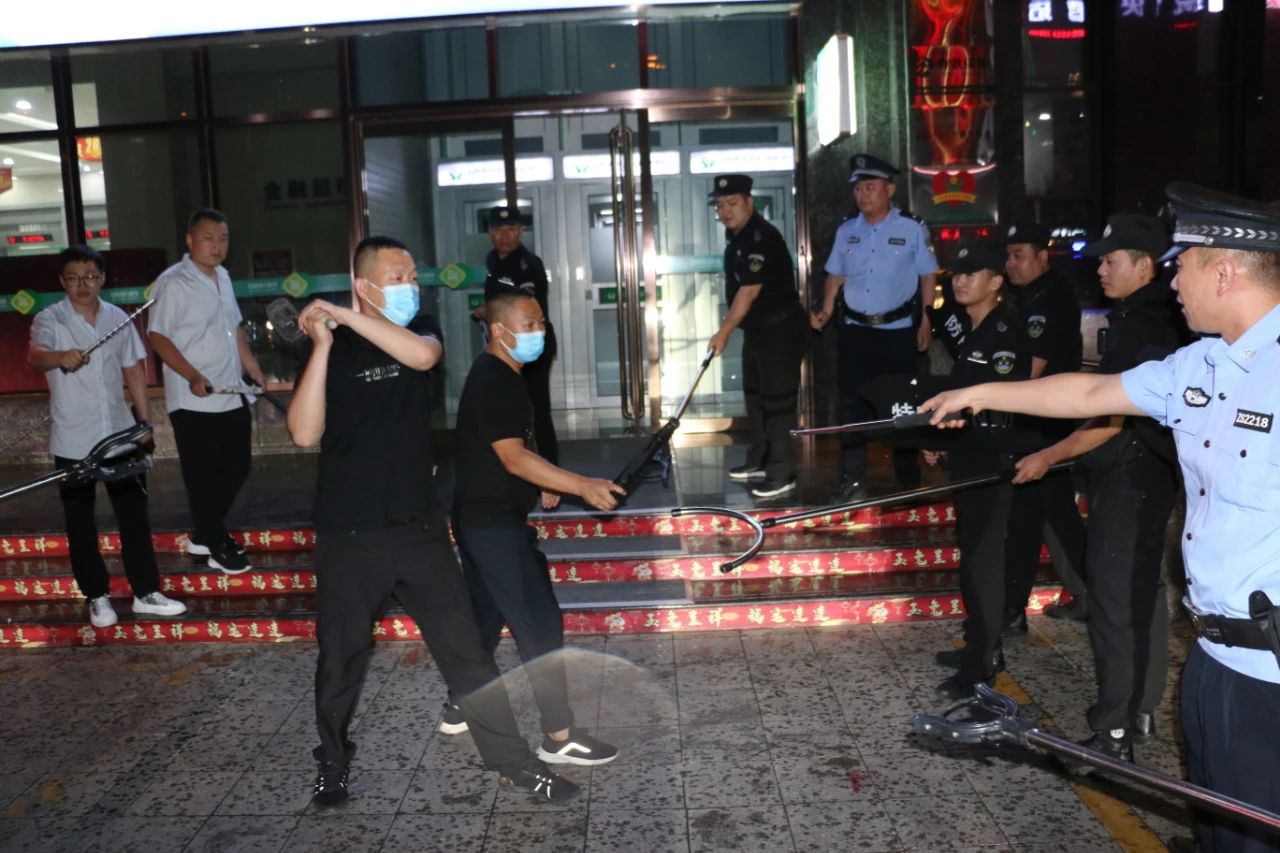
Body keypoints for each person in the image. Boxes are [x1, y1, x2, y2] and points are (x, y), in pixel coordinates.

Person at [921, 183, 1280, 853]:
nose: (1173, 281)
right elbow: (1090, 391)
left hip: (1272, 675)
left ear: (1226, 271)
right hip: (1212, 659)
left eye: (1183, 264)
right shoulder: (1200, 364)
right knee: (1221, 832)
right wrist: (977, 392)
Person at [287, 236, 578, 807]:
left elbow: (422, 358)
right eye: (396, 277)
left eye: (412, 277)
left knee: (466, 651)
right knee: (341, 655)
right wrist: (321, 343)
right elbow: (304, 432)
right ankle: (333, 763)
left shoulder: (420, 330)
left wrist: (343, 313)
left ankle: (515, 765)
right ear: (364, 284)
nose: (409, 286)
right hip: (348, 532)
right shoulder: (332, 345)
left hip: (417, 529)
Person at [1011, 214, 1183, 763]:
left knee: (1114, 603)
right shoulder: (1148, 315)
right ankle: (1138, 710)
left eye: (1110, 261)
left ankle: (1113, 733)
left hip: (1132, 477)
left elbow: (1112, 416)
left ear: (1144, 266)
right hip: (1146, 474)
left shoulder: (1142, 325)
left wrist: (1049, 455)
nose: (1101, 271)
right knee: (1140, 595)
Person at [441, 289, 622, 766]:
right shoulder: (495, 380)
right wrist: (581, 485)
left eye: (541, 322)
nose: (539, 331)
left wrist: (544, 479)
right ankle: (559, 737)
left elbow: (518, 442)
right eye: (528, 324)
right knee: (540, 624)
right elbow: (512, 457)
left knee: (485, 617)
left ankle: (461, 705)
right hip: (493, 526)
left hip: (482, 517)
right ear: (499, 330)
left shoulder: (504, 373)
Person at [28, 246, 187, 629]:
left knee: (134, 516)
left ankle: (146, 592)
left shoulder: (118, 318)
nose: (82, 284)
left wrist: (145, 423)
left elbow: (133, 371)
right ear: (62, 281)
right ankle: (97, 596)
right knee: (80, 521)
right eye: (73, 278)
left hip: (119, 434)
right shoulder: (50, 319)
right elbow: (36, 355)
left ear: (102, 279)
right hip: (73, 438)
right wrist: (60, 356)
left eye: (90, 276)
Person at [918, 243, 1034, 700]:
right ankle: (981, 646)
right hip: (971, 453)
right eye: (957, 274)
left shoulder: (1005, 331)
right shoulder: (974, 328)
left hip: (993, 457)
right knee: (973, 555)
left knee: (984, 562)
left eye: (972, 273)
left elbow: (1002, 397)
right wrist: (942, 440)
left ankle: (981, 665)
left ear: (996, 282)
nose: (961, 281)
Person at [811, 154, 938, 498]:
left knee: (901, 405)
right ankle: (852, 480)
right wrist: (825, 310)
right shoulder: (846, 230)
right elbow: (835, 275)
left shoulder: (911, 228)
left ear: (889, 190)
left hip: (897, 333)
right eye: (858, 188)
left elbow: (928, 276)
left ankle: (908, 479)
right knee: (852, 405)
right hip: (855, 332)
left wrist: (926, 321)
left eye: (870, 187)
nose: (863, 195)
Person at [147, 209, 263, 574]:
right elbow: (158, 335)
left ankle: (205, 532)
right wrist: (191, 374)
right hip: (193, 397)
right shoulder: (174, 282)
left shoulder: (223, 277)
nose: (217, 246)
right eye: (209, 238)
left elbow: (234, 328)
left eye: (223, 239)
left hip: (230, 389)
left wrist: (252, 366)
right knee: (203, 476)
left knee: (238, 466)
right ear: (190, 240)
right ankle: (215, 542)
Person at [999, 220, 1087, 632]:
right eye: (1008, 256)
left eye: (1019, 255)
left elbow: (1030, 372)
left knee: (1039, 516)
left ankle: (1015, 610)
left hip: (1045, 425)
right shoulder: (1029, 297)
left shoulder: (1051, 300)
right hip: (1034, 422)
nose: (1011, 264)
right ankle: (1082, 596)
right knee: (1045, 515)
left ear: (1042, 256)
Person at [706, 174, 807, 499]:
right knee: (755, 396)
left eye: (732, 203)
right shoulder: (738, 237)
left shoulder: (761, 237)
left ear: (749, 202)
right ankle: (761, 459)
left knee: (778, 402)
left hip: (781, 330)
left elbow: (749, 291)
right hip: (758, 330)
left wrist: (723, 331)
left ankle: (782, 473)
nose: (725, 211)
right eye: (720, 205)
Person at [479, 206, 560, 510]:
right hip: (504, 345)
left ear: (520, 232)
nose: (505, 235)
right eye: (499, 230)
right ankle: (519, 469)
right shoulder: (492, 261)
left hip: (531, 345)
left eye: (511, 229)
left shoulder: (528, 265)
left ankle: (550, 478)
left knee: (536, 411)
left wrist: (493, 312)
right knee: (511, 410)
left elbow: (526, 309)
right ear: (490, 233)